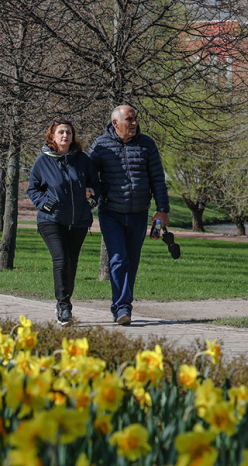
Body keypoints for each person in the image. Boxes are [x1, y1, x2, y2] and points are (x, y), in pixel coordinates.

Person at [89, 105, 170, 326]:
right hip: (111, 212)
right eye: (129, 119)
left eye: (135, 119)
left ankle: (120, 306)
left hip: (138, 214)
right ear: (116, 123)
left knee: (131, 261)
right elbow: (89, 177)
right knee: (118, 259)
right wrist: (91, 196)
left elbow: (157, 180)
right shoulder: (100, 145)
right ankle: (123, 307)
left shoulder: (147, 145)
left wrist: (162, 210)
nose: (134, 123)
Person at [27, 119, 99, 326]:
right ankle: (63, 305)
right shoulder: (43, 161)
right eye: (60, 132)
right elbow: (33, 189)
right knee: (61, 259)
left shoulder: (83, 160)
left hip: (78, 221)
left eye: (68, 132)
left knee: (72, 262)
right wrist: (46, 204)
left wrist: (92, 197)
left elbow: (96, 185)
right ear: (52, 136)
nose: (65, 136)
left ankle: (66, 301)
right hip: (51, 219)